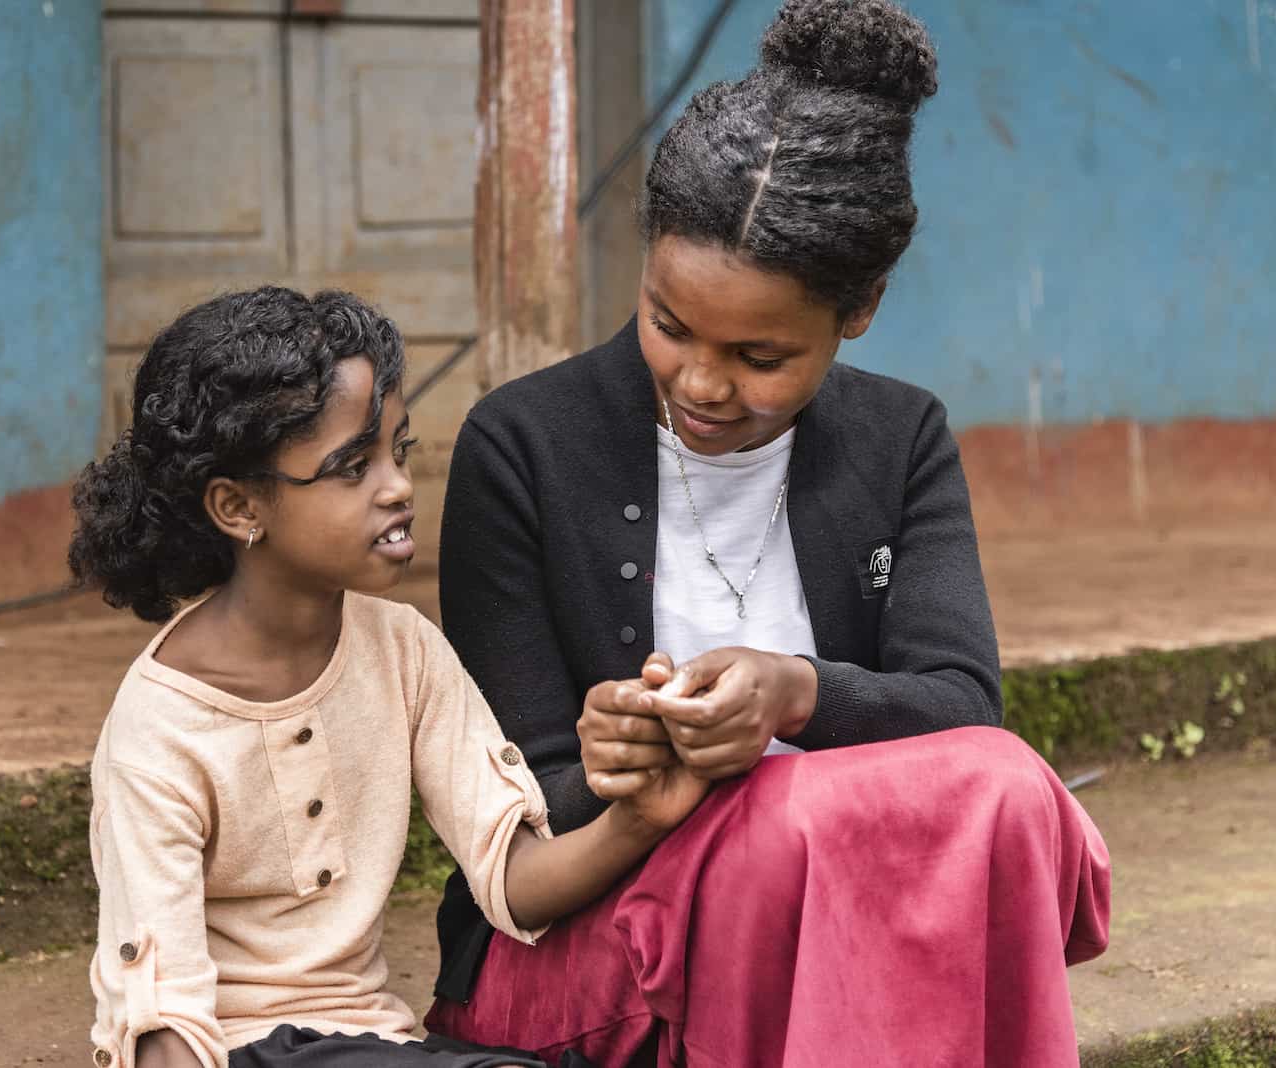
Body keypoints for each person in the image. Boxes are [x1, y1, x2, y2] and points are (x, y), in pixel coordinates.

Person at [424, 2, 1111, 1065]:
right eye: (668, 322)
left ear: (861, 307)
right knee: (787, 825)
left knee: (1010, 785)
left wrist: (798, 692)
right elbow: (519, 813)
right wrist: (620, 761)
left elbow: (963, 709)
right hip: (588, 931)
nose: (700, 382)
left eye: (757, 357)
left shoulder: (900, 437)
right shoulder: (521, 446)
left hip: (836, 892)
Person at [68, 287, 710, 1068]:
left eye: (398, 449)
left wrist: (637, 818)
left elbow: (509, 876)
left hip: (377, 1043)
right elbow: (161, 1022)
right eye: (350, 467)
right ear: (239, 507)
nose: (397, 486)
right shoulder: (159, 727)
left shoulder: (403, 648)